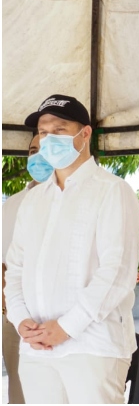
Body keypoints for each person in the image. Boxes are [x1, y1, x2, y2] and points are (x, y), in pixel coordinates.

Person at [4, 95, 139, 404]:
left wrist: (66, 327)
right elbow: (16, 269)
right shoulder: (33, 201)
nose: (49, 138)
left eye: (59, 129)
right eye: (43, 131)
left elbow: (116, 273)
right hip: (36, 348)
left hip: (92, 347)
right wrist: (20, 318)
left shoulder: (112, 192)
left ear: (85, 134)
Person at [3, 136, 50, 404]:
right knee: (19, 392)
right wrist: (9, 310)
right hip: (16, 319)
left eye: (45, 150)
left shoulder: (77, 201)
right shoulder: (12, 204)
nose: (38, 156)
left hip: (60, 320)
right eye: (33, 151)